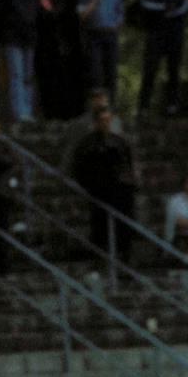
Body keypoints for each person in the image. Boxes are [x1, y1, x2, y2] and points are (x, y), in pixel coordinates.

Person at [67, 104, 138, 263]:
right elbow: (79, 166)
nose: (105, 124)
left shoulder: (119, 141)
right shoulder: (87, 143)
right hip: (99, 190)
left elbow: (128, 164)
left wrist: (129, 182)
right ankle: (101, 256)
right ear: (96, 122)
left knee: (123, 225)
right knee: (101, 225)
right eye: (102, 120)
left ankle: (124, 256)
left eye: (108, 120)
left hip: (120, 190)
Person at [137, 0, 188, 115]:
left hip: (174, 34)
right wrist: (165, 8)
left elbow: (184, 6)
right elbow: (146, 5)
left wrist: (169, 11)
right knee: (150, 68)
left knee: (173, 69)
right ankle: (143, 105)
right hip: (155, 34)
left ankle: (172, 105)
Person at [76, 0, 125, 97]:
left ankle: (111, 106)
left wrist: (116, 26)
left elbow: (120, 15)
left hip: (110, 34)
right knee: (94, 70)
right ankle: (96, 107)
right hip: (93, 34)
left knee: (111, 71)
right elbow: (82, 15)